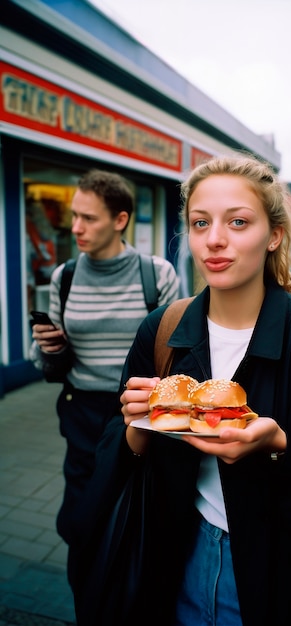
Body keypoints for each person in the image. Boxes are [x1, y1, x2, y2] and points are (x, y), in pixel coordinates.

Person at [70, 156, 291, 626]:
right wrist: (136, 432)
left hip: (282, 575)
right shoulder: (162, 330)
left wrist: (280, 448)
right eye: (200, 223)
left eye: (238, 222)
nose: (214, 239)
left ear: (274, 234)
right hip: (171, 561)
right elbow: (114, 457)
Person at [30, 169, 179, 546]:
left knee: (136, 514)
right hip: (81, 410)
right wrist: (50, 348)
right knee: (81, 520)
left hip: (139, 412)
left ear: (120, 220)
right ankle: (87, 591)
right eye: (74, 216)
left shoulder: (157, 274)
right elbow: (51, 366)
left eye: (89, 218)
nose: (76, 227)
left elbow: (173, 357)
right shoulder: (64, 277)